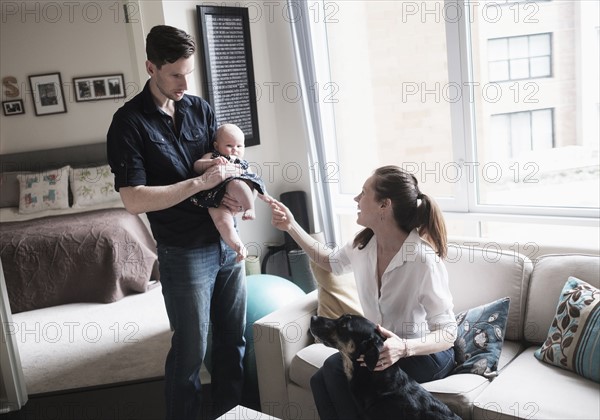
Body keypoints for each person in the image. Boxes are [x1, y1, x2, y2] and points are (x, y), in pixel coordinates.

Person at [106, 25, 247, 420]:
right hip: (184, 250)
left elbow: (225, 163)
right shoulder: (128, 123)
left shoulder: (200, 109)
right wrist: (201, 182)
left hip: (226, 241)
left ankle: (231, 412)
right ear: (151, 67)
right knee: (190, 349)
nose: (185, 83)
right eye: (175, 74)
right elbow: (133, 199)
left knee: (232, 341)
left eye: (189, 72)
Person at [268, 165, 457, 419]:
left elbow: (448, 333)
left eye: (363, 192)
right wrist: (291, 226)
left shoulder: (423, 260)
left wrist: (403, 347)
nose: (357, 199)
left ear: (384, 205)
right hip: (381, 348)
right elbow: (329, 261)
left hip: (425, 353)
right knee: (319, 380)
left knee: (335, 368)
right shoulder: (364, 244)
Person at [191, 123, 268, 262]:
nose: (234, 150)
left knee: (237, 184)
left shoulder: (242, 163)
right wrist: (211, 163)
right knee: (222, 222)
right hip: (215, 199)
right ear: (216, 146)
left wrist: (264, 196)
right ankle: (238, 246)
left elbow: (254, 181)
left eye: (239, 146)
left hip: (233, 190)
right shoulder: (213, 156)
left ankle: (250, 208)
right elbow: (197, 165)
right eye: (229, 146)